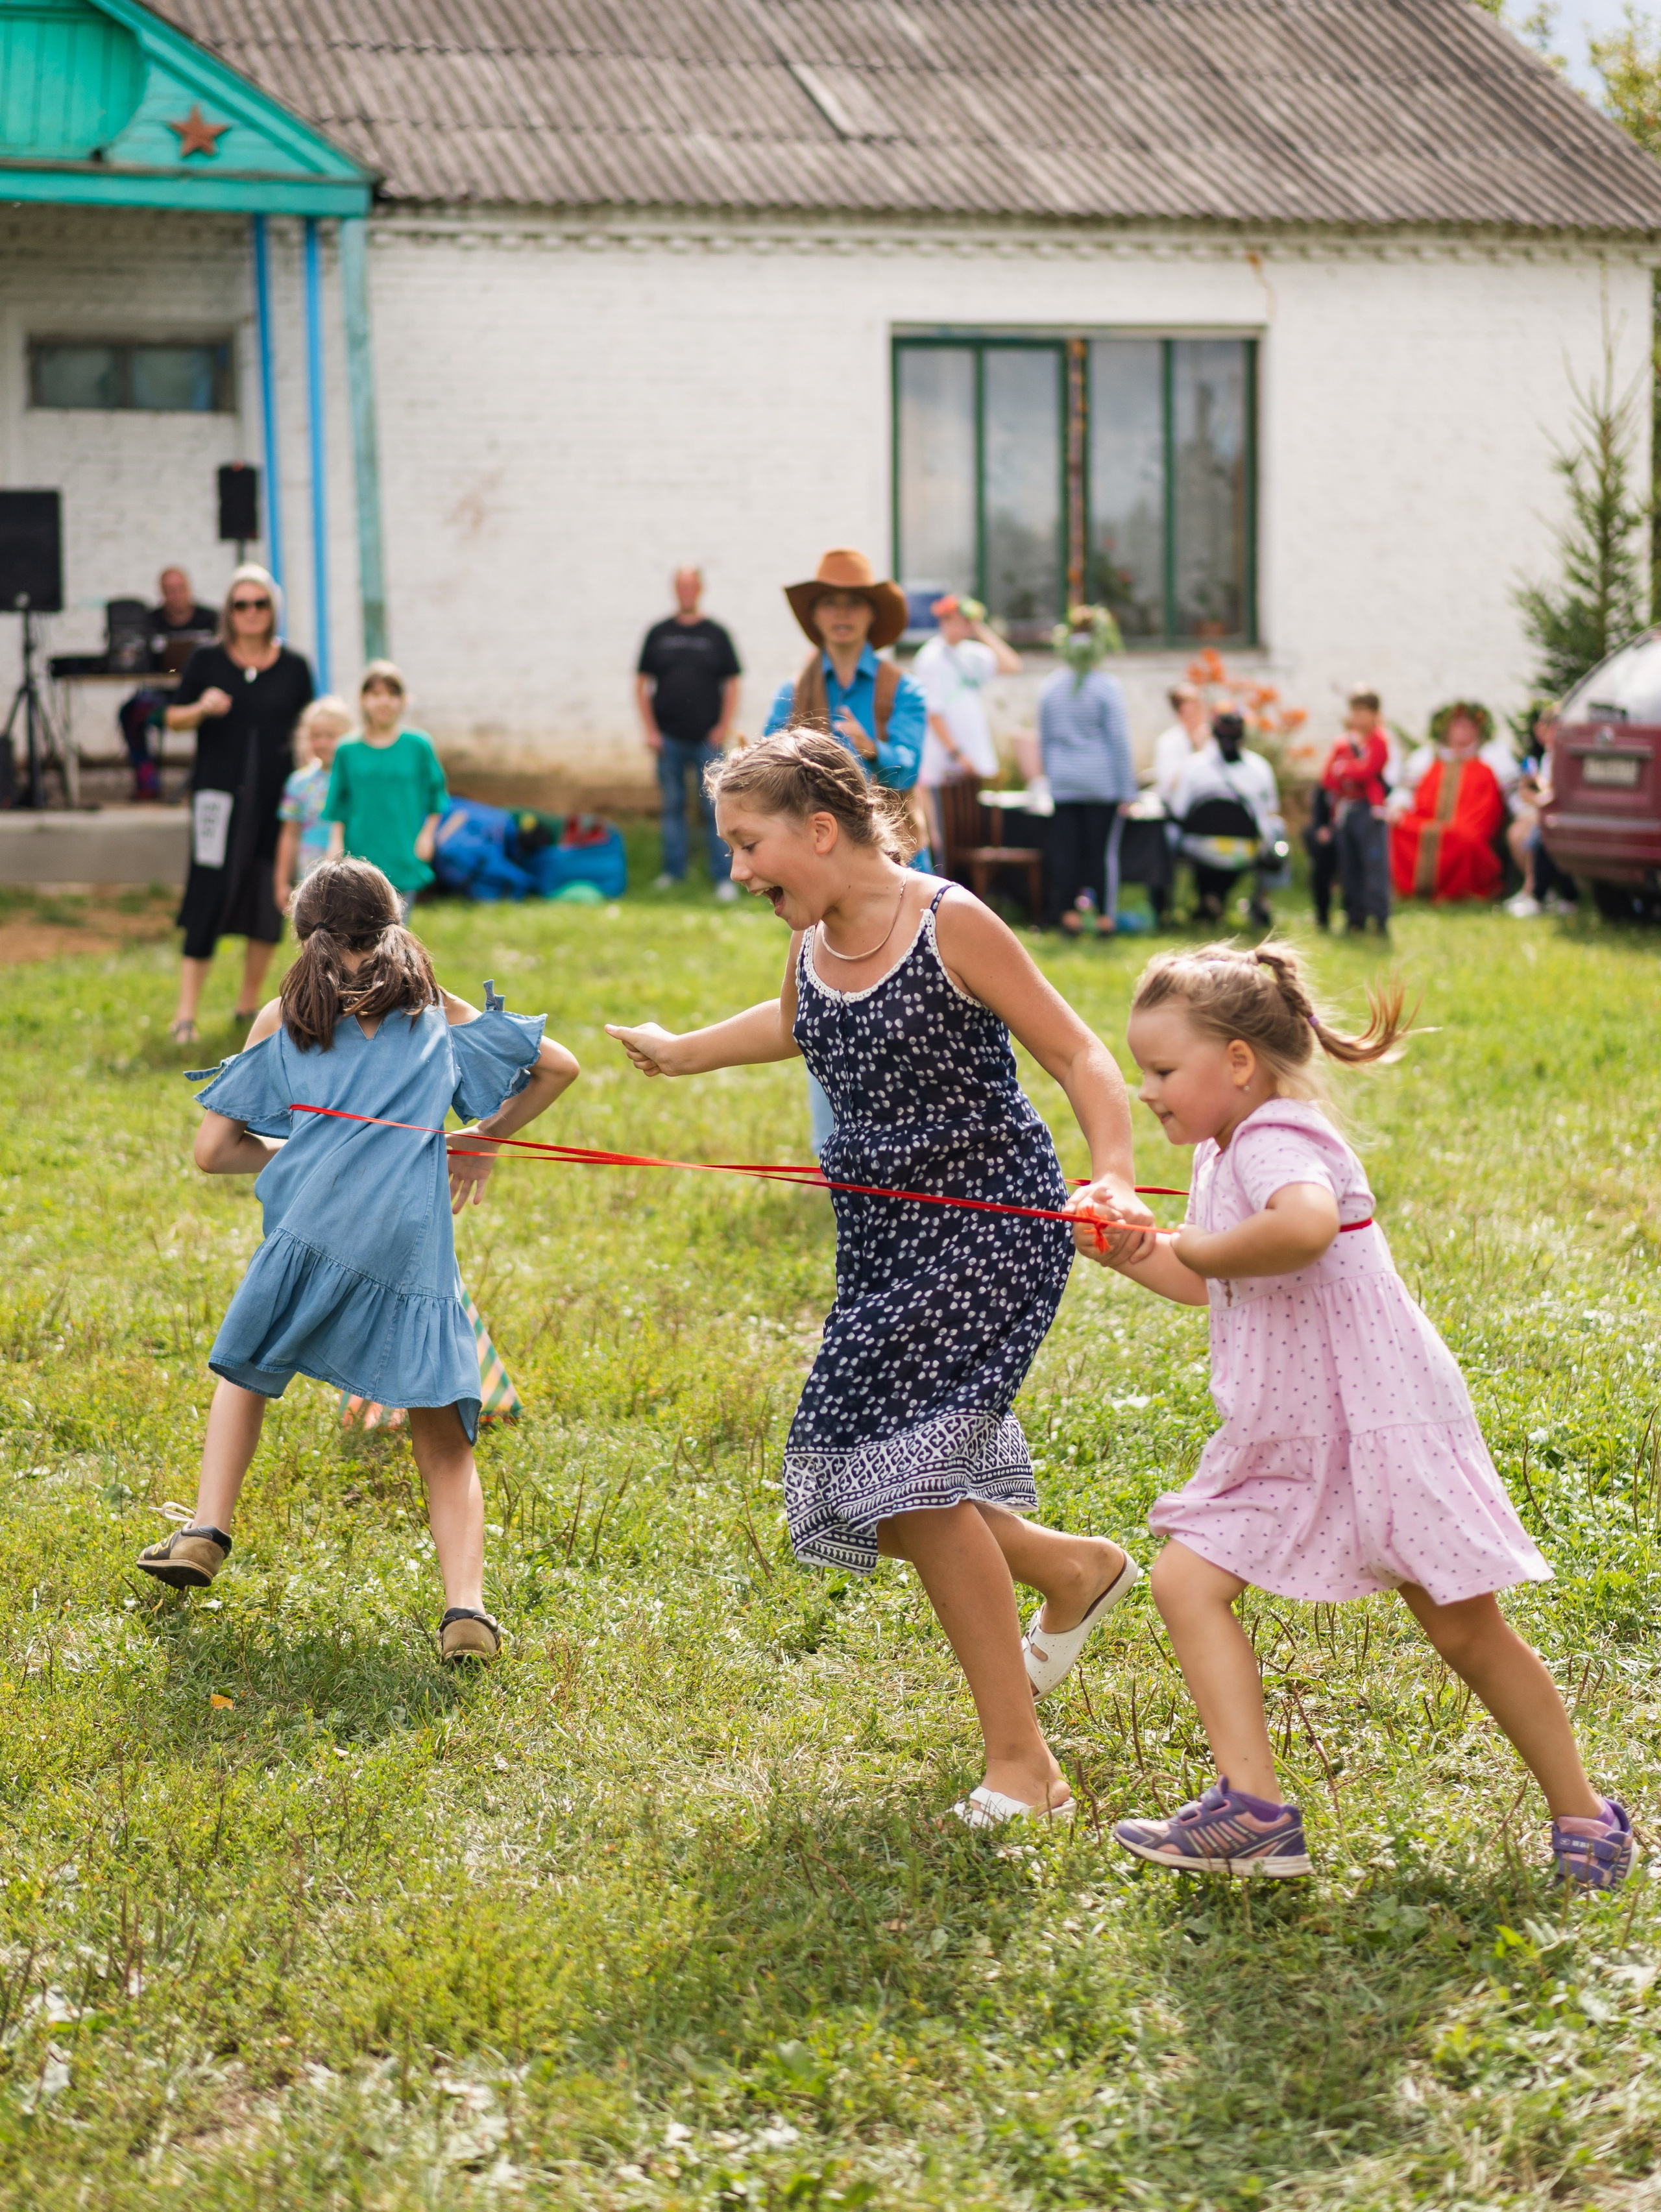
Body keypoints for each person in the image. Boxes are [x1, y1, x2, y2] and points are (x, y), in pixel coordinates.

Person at [605, 730, 1154, 1827]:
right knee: (866, 1482)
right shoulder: (812, 943)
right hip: (882, 1242)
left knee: (908, 1481)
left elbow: (1080, 1054)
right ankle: (1071, 1569)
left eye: (749, 845)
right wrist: (682, 1049)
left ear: (820, 830)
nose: (738, 872)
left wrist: (1119, 1180)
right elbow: (803, 1025)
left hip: (989, 1231)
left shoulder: (948, 921)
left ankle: (1025, 1769)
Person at [1078, 944, 1634, 1888]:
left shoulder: (1278, 1141)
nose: (1148, 1091)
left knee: (1467, 1632)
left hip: (1379, 1423)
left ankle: (1587, 1816)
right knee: (1184, 1580)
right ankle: (1253, 1812)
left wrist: (1198, 1243)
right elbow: (1209, 1278)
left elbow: (1298, 1229)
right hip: (1292, 1436)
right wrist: (1135, 1251)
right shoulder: (1227, 1150)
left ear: (1240, 1063)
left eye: (1165, 1070)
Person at [136, 860, 578, 1662]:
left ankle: (208, 1525)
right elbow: (559, 1065)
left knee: (246, 1376)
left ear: (307, 935)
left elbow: (212, 1150)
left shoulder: (285, 1013)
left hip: (307, 1234)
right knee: (444, 1442)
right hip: (411, 1252)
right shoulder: (432, 1009)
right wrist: (481, 1139)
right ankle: (466, 1610)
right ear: (393, 923)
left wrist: (295, 1152)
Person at [765, 548, 929, 1151]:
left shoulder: (900, 688)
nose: (840, 613)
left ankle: (907, 1144)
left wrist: (872, 743)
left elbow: (908, 771)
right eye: (829, 602)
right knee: (821, 1004)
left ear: (869, 616)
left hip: (893, 867)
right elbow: (766, 772)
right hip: (815, 870)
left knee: (906, 1010)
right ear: (817, 615)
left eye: (852, 603)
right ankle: (832, 1151)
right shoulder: (795, 689)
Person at [166, 565, 314, 1048]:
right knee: (207, 894)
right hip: (217, 800)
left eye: (260, 604)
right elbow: (171, 719)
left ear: (273, 610)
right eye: (241, 604)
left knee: (266, 901)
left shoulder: (293, 666)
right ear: (229, 611)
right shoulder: (207, 661)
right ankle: (185, 1014)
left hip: (276, 803)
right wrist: (200, 708)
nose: (251, 613)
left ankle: (246, 1006)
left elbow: (308, 731)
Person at [635, 566, 742, 902]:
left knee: (716, 809)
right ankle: (673, 873)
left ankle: (723, 878)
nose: (685, 591)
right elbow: (641, 685)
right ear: (674, 590)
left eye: (690, 586)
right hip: (668, 739)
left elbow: (733, 683)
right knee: (672, 807)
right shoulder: (659, 633)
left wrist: (723, 727)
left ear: (700, 589)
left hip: (707, 740)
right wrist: (651, 731)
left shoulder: (716, 634)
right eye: (680, 586)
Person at [324, 662, 448, 922]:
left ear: (403, 701)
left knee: (396, 934)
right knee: (357, 934)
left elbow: (437, 797)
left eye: (393, 694)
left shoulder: (419, 746)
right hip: (359, 851)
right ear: (364, 700)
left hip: (403, 850)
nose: (385, 702)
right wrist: (335, 842)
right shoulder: (347, 750)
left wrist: (427, 835)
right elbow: (340, 802)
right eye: (377, 694)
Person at [1037, 605, 1135, 935]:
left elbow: (1046, 739)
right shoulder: (1107, 687)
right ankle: (1106, 918)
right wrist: (1128, 790)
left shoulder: (1050, 687)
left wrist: (1052, 777)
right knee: (1101, 853)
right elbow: (1118, 741)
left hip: (1064, 781)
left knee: (1067, 852)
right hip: (1101, 782)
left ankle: (1069, 915)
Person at [1171, 711, 1283, 927]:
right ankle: (1262, 901)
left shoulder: (1193, 767)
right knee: (1277, 832)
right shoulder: (1260, 768)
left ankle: (1190, 901)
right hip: (1246, 851)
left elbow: (1179, 811)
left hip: (1199, 849)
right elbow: (1271, 812)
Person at [119, 566, 219, 800]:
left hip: (201, 696)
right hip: (162, 696)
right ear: (162, 594)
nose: (176, 595)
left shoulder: (211, 619)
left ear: (189, 589)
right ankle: (147, 781)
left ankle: (211, 778)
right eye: (169, 591)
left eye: (180, 589)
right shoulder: (150, 622)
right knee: (131, 712)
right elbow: (137, 660)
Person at [1389, 702, 1506, 904]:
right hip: (1426, 818)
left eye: (1468, 726)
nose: (1462, 731)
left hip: (1471, 823)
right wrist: (1397, 807)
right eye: (1457, 726)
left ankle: (1457, 891)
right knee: (1397, 830)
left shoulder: (1493, 758)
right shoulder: (1425, 757)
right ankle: (1404, 888)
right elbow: (1405, 790)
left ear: (1477, 731)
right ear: (1447, 730)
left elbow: (1498, 801)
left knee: (1464, 840)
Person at [914, 592, 1021, 795]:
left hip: (975, 758)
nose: (960, 625)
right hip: (946, 762)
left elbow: (1012, 665)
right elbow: (933, 712)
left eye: (965, 621)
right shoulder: (931, 657)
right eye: (954, 620)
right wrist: (957, 754)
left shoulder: (973, 653)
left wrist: (981, 630)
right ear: (943, 621)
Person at [1316, 689, 1392, 935]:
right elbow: (1328, 777)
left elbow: (1369, 770)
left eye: (1363, 712)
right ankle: (1355, 917)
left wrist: (1345, 769)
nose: (1357, 717)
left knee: (1373, 865)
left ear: (1374, 714)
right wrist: (1344, 772)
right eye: (1355, 711)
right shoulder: (1344, 742)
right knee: (1349, 867)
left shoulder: (1378, 741)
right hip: (1345, 810)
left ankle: (1379, 917)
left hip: (1369, 811)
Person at [274, 695, 351, 913]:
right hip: (311, 874)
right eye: (316, 736)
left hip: (353, 872)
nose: (323, 743)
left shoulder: (357, 779)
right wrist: (282, 883)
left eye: (331, 736)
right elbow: (290, 834)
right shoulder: (299, 782)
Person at [1149, 682, 1209, 812]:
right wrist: (1197, 750)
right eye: (1193, 701)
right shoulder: (1168, 742)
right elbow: (1168, 784)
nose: (1200, 705)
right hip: (1181, 813)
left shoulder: (1215, 738)